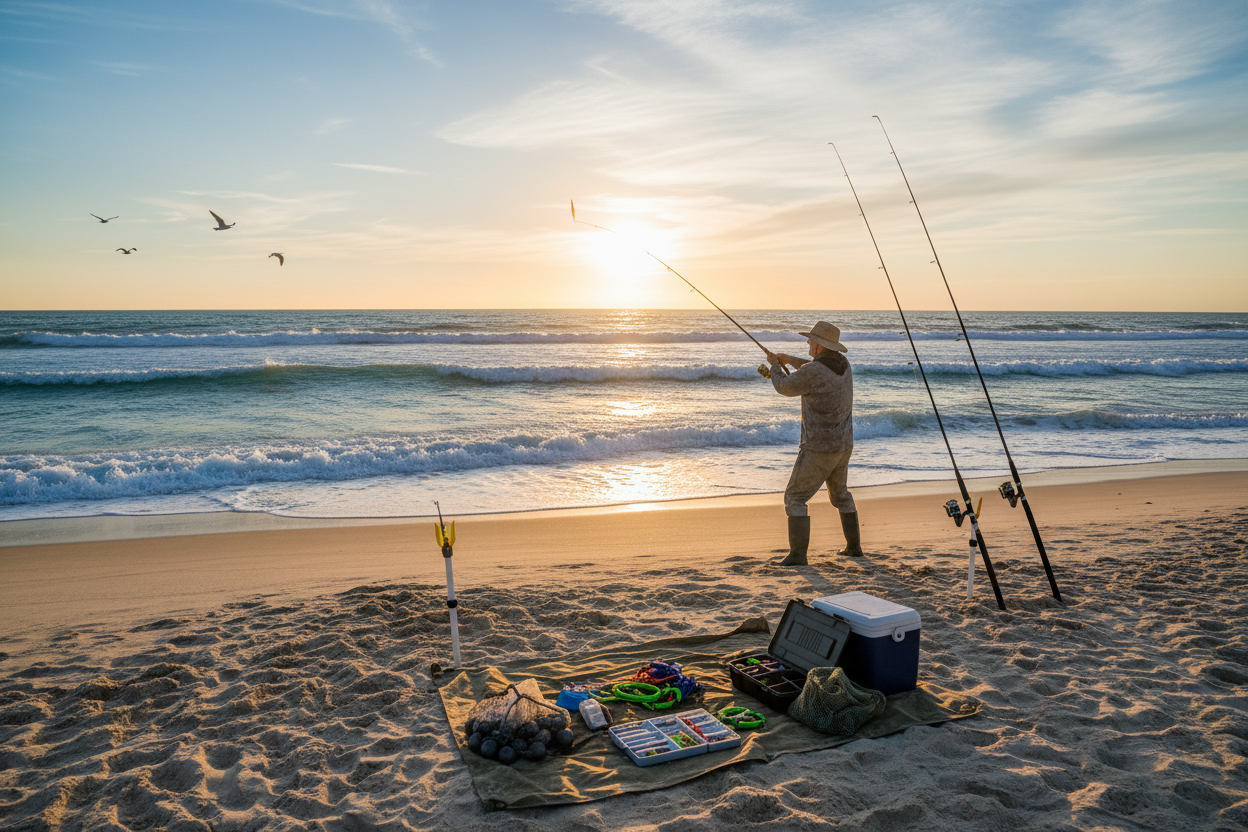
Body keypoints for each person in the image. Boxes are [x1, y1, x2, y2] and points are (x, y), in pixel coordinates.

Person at [761, 321, 862, 566]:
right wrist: (789, 359)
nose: (807, 342)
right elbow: (813, 368)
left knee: (794, 497)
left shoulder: (813, 372)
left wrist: (775, 367)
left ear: (819, 345)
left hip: (818, 447)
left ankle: (798, 555)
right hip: (843, 443)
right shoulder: (843, 364)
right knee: (840, 495)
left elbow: (784, 387)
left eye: (810, 340)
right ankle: (854, 547)